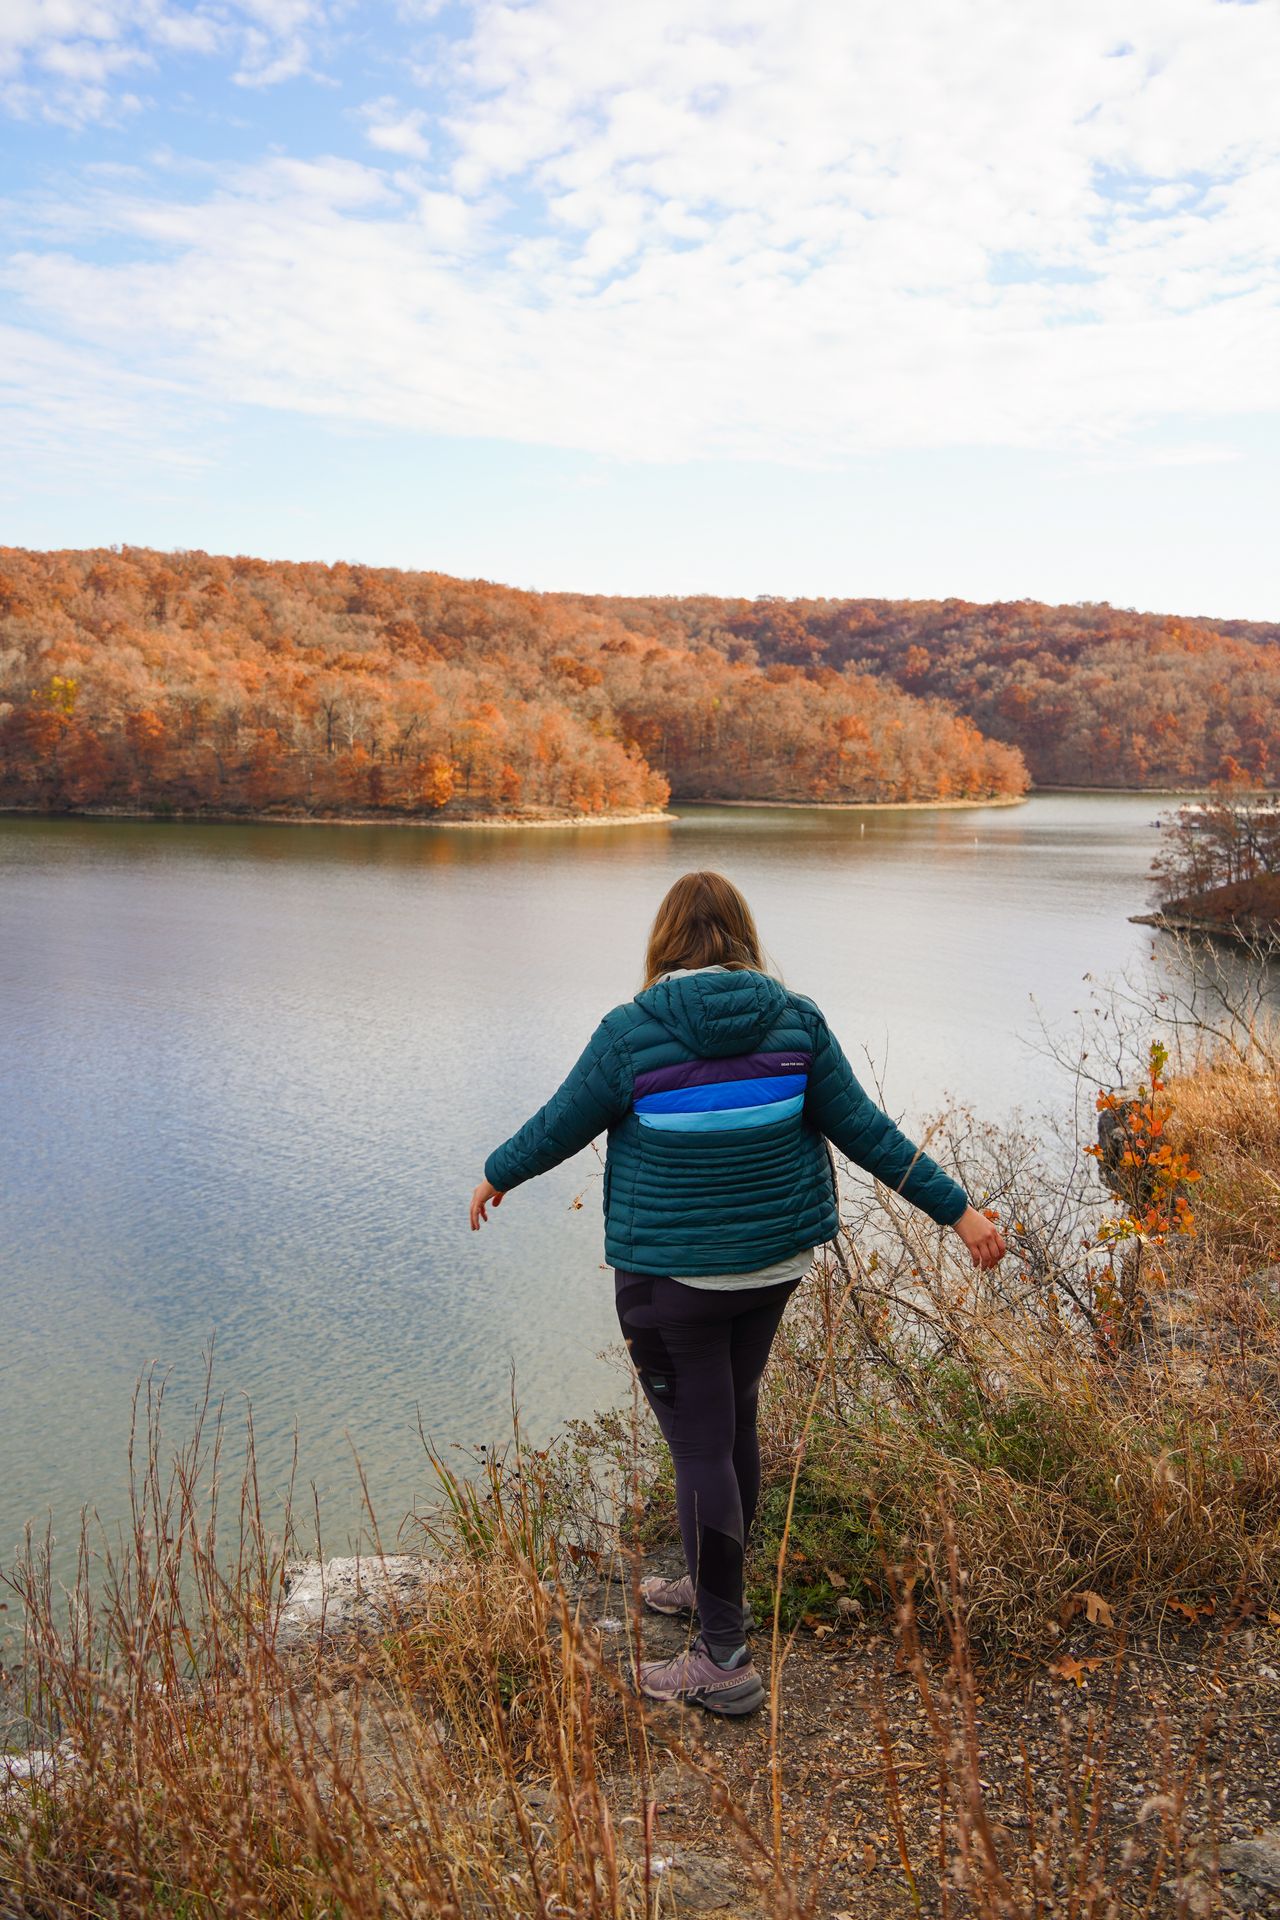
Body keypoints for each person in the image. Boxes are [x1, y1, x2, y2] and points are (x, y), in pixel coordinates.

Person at [470, 870, 1005, 1717]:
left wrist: (499, 1172)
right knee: (731, 1423)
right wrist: (960, 1211)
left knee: (697, 1445)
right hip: (770, 1269)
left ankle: (723, 1656)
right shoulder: (795, 1021)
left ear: (663, 940)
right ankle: (706, 1580)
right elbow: (867, 1130)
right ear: (743, 935)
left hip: (669, 1277)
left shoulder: (630, 1033)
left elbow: (560, 1121)